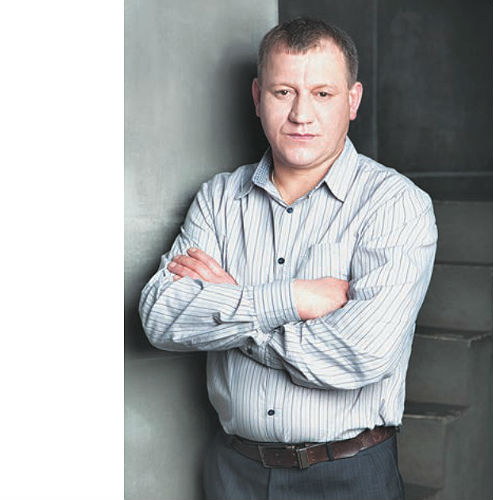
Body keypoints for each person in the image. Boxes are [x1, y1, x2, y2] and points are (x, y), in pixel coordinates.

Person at [139, 16, 438, 500]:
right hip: (233, 473)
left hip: (349, 475)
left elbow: (360, 355)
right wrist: (293, 299)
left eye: (322, 93)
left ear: (352, 101)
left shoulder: (395, 205)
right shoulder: (218, 200)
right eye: (284, 92)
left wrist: (234, 307)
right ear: (258, 98)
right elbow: (160, 316)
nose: (302, 114)